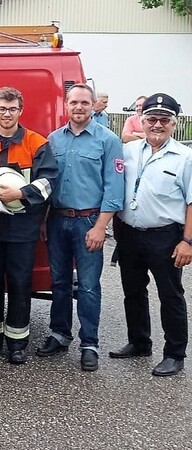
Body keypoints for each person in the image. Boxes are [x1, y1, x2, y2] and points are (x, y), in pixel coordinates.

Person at [37, 84, 124, 372]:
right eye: (73, 102)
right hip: (57, 219)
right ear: (65, 105)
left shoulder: (108, 140)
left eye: (84, 102)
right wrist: (43, 220)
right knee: (59, 283)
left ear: (93, 105)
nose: (79, 107)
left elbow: (114, 187)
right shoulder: (53, 140)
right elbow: (48, 184)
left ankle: (90, 344)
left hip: (89, 221)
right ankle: (59, 334)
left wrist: (101, 227)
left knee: (87, 286)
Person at [0, 86, 58, 365]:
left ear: (20, 111)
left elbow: (48, 181)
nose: (6, 114)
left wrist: (20, 194)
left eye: (12, 109)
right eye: (1, 109)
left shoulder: (37, 143)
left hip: (23, 227)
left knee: (21, 283)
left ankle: (17, 342)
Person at [109, 93, 192, 377]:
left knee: (170, 295)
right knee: (133, 291)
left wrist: (187, 241)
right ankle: (139, 341)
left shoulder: (185, 157)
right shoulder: (128, 151)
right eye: (152, 119)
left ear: (174, 124)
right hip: (129, 233)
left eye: (164, 120)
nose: (157, 125)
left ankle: (174, 354)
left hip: (166, 236)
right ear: (141, 121)